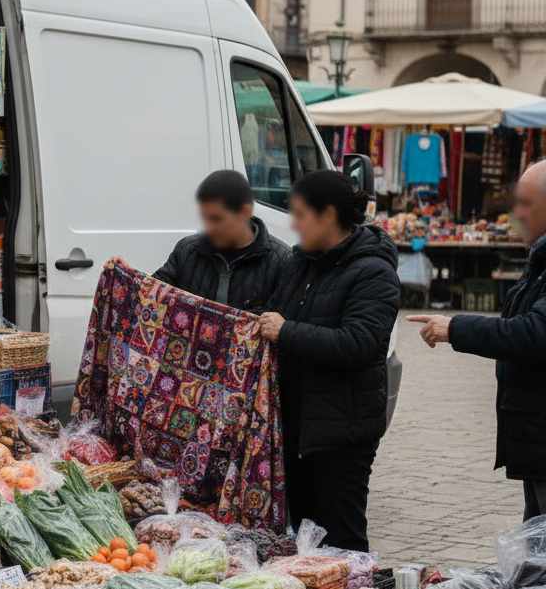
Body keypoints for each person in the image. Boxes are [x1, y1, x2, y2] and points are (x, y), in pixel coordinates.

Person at [258, 170, 401, 551]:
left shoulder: (374, 272)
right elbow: (267, 311)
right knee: (305, 538)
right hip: (300, 426)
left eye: (301, 214)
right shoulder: (299, 263)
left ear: (328, 216)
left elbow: (361, 343)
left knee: (342, 536)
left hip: (342, 431)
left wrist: (287, 331)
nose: (293, 223)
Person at [409, 160, 546, 520]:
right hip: (534, 437)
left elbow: (533, 333)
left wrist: (455, 329)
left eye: (526, 204)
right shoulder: (540, 260)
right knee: (536, 548)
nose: (517, 213)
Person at [154, 170, 289, 313]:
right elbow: (152, 291)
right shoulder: (187, 250)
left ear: (245, 212)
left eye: (216, 219)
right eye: (205, 218)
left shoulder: (280, 262)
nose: (209, 227)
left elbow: (286, 323)